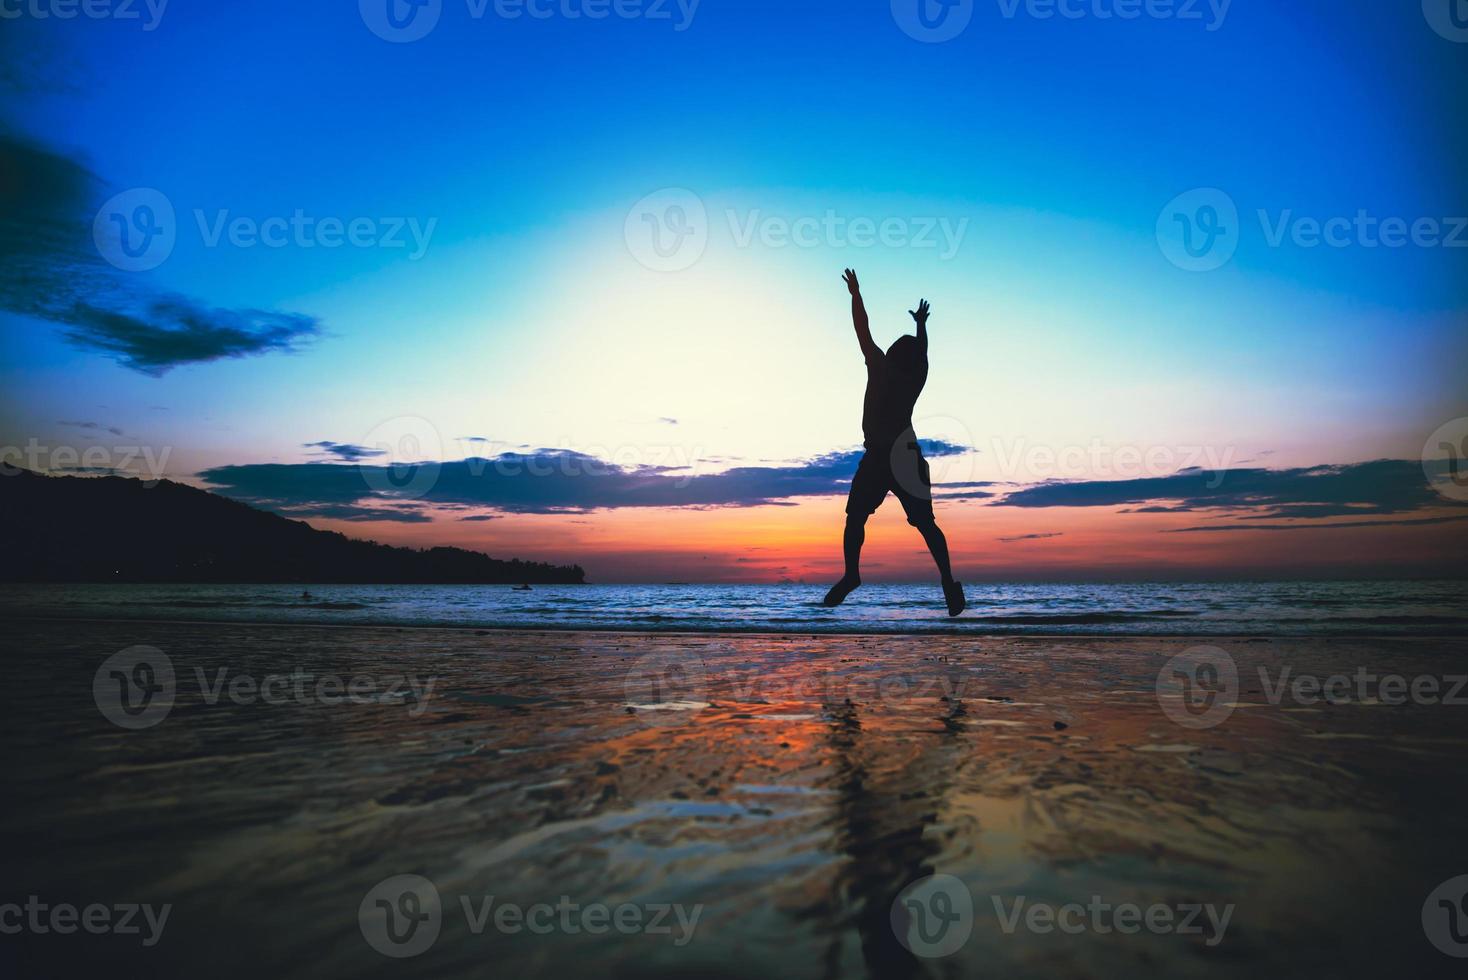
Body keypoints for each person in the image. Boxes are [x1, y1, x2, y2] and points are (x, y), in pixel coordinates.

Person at [824, 269, 965, 617]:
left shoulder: (879, 365)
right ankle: (947, 581)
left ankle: (852, 574)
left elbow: (862, 328)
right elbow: (922, 353)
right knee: (923, 524)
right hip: (901, 455)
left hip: (885, 456)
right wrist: (921, 326)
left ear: (892, 353)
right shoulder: (915, 376)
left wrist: (855, 293)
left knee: (856, 518)